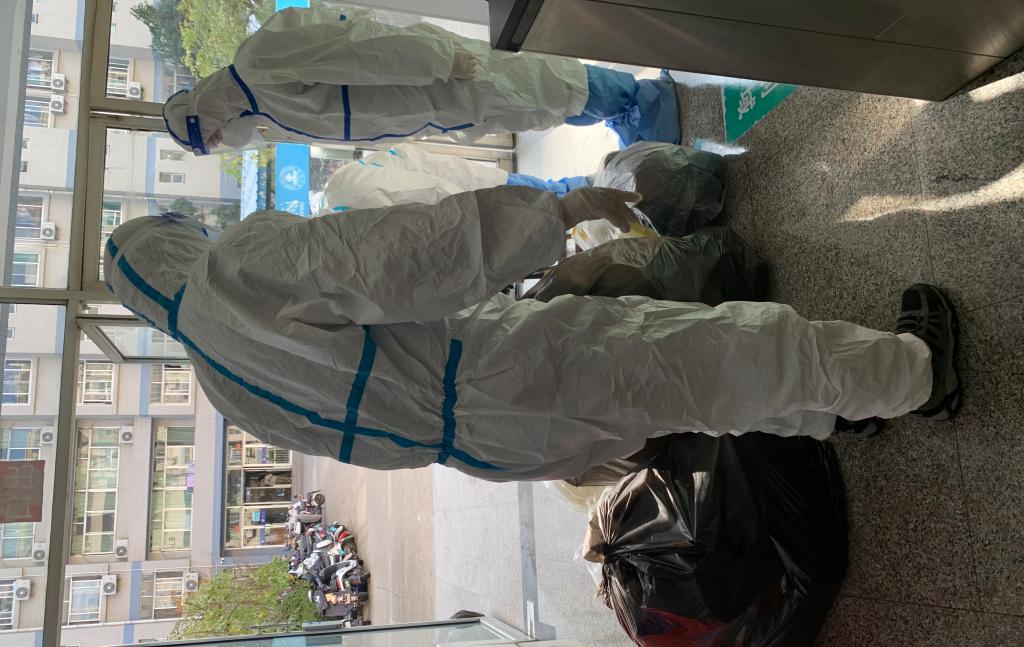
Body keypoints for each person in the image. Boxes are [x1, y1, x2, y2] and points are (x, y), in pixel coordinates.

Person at [103, 187, 960, 482]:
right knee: (721, 356)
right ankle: (917, 375)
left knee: (698, 398)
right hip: (510, 367)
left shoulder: (219, 386)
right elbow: (399, 256)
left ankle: (844, 407)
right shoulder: (234, 270)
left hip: (487, 448)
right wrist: (550, 215)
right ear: (175, 245)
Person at [161, 6, 679, 156]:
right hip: (433, 103)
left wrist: (437, 60)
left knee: (537, 83)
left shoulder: (258, 64)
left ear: (203, 115)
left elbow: (357, 51)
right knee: (531, 105)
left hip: (437, 78)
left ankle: (641, 99)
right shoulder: (262, 108)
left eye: (210, 136)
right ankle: (622, 111)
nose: (221, 141)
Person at [321, 142, 589, 213]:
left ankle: (590, 192)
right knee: (537, 196)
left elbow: (425, 191)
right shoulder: (338, 197)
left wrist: (474, 215)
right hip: (461, 184)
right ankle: (584, 193)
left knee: (538, 198)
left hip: (467, 190)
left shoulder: (342, 191)